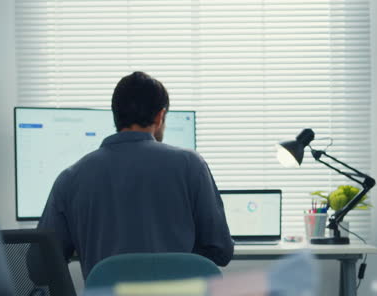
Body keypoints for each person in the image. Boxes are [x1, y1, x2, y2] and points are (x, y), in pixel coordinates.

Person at [37, 71, 234, 279]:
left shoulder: (71, 178)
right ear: (160, 116)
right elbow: (221, 251)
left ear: (116, 115)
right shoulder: (191, 165)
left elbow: (39, 267)